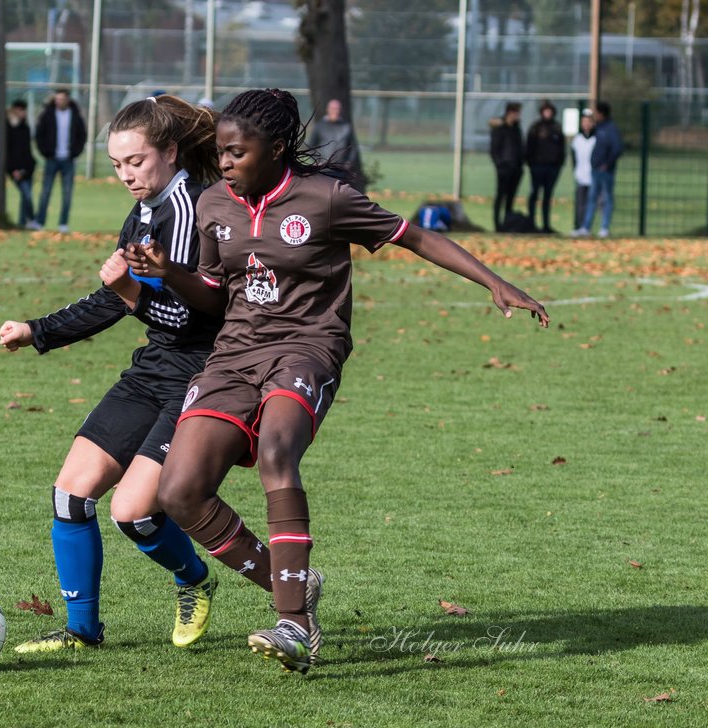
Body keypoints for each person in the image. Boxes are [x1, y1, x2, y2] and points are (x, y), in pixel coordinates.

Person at [124, 88, 550, 673]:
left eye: (237, 153)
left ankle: (295, 625)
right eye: (221, 153)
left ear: (276, 149)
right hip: (233, 357)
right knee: (179, 493)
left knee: (277, 450)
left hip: (307, 348)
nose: (224, 164)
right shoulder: (214, 206)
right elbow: (213, 295)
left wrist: (493, 281)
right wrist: (168, 272)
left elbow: (416, 236)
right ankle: (292, 585)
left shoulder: (326, 198)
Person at [0, 95, 277, 654]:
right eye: (117, 165)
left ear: (170, 152)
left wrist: (128, 292)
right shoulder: (144, 212)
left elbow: (193, 312)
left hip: (204, 375)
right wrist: (40, 329)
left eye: (137, 162)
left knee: (133, 512)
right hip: (153, 368)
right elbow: (115, 301)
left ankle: (195, 580)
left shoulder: (197, 209)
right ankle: (82, 631)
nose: (127, 175)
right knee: (69, 496)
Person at [33, 88, 87, 234]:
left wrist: (76, 152)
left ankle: (63, 223)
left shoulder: (75, 115)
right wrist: (45, 151)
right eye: (57, 99)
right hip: (52, 159)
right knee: (45, 192)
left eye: (62, 99)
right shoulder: (47, 115)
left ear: (67, 100)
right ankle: (39, 222)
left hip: (68, 160)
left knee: (67, 193)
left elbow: (82, 135)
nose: (60, 102)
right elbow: (39, 134)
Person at [574, 101, 623, 238]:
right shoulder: (599, 128)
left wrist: (607, 163)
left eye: (596, 113)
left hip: (605, 171)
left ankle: (604, 228)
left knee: (606, 198)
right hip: (595, 170)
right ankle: (586, 227)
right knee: (592, 198)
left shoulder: (610, 129)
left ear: (601, 113)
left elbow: (617, 149)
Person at [524, 100, 565, 233]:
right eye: (545, 111)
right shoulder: (535, 128)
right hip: (537, 167)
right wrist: (532, 163)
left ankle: (546, 225)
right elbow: (529, 147)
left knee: (547, 196)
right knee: (534, 194)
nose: (548, 113)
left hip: (552, 168)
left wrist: (558, 164)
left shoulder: (557, 128)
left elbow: (562, 148)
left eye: (550, 111)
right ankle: (531, 223)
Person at [306, 98, 362, 186]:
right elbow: (311, 146)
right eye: (333, 109)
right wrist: (317, 161)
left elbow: (353, 147)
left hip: (340, 170)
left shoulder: (346, 127)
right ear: (328, 110)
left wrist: (348, 163)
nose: (336, 111)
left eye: (338, 109)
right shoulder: (320, 126)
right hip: (323, 169)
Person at [489, 102, 524, 232]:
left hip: (516, 168)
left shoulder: (517, 128)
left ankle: (507, 223)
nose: (518, 116)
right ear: (510, 113)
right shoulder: (499, 128)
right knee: (500, 197)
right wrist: (500, 165)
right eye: (516, 113)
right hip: (504, 168)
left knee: (510, 198)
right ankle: (497, 224)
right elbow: (494, 149)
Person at [5, 99, 40, 230]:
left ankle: (21, 222)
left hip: (27, 168)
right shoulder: (7, 128)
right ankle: (32, 219)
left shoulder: (25, 128)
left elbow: (26, 151)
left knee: (25, 197)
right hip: (14, 170)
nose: (23, 113)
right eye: (21, 110)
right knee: (27, 195)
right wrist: (13, 169)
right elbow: (8, 152)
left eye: (24, 110)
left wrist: (28, 167)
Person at [570, 109, 597, 233]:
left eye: (589, 121)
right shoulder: (577, 139)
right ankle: (579, 226)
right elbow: (574, 158)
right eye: (584, 121)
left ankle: (588, 227)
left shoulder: (596, 139)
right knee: (580, 203)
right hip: (581, 176)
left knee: (592, 203)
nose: (586, 124)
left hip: (593, 176)